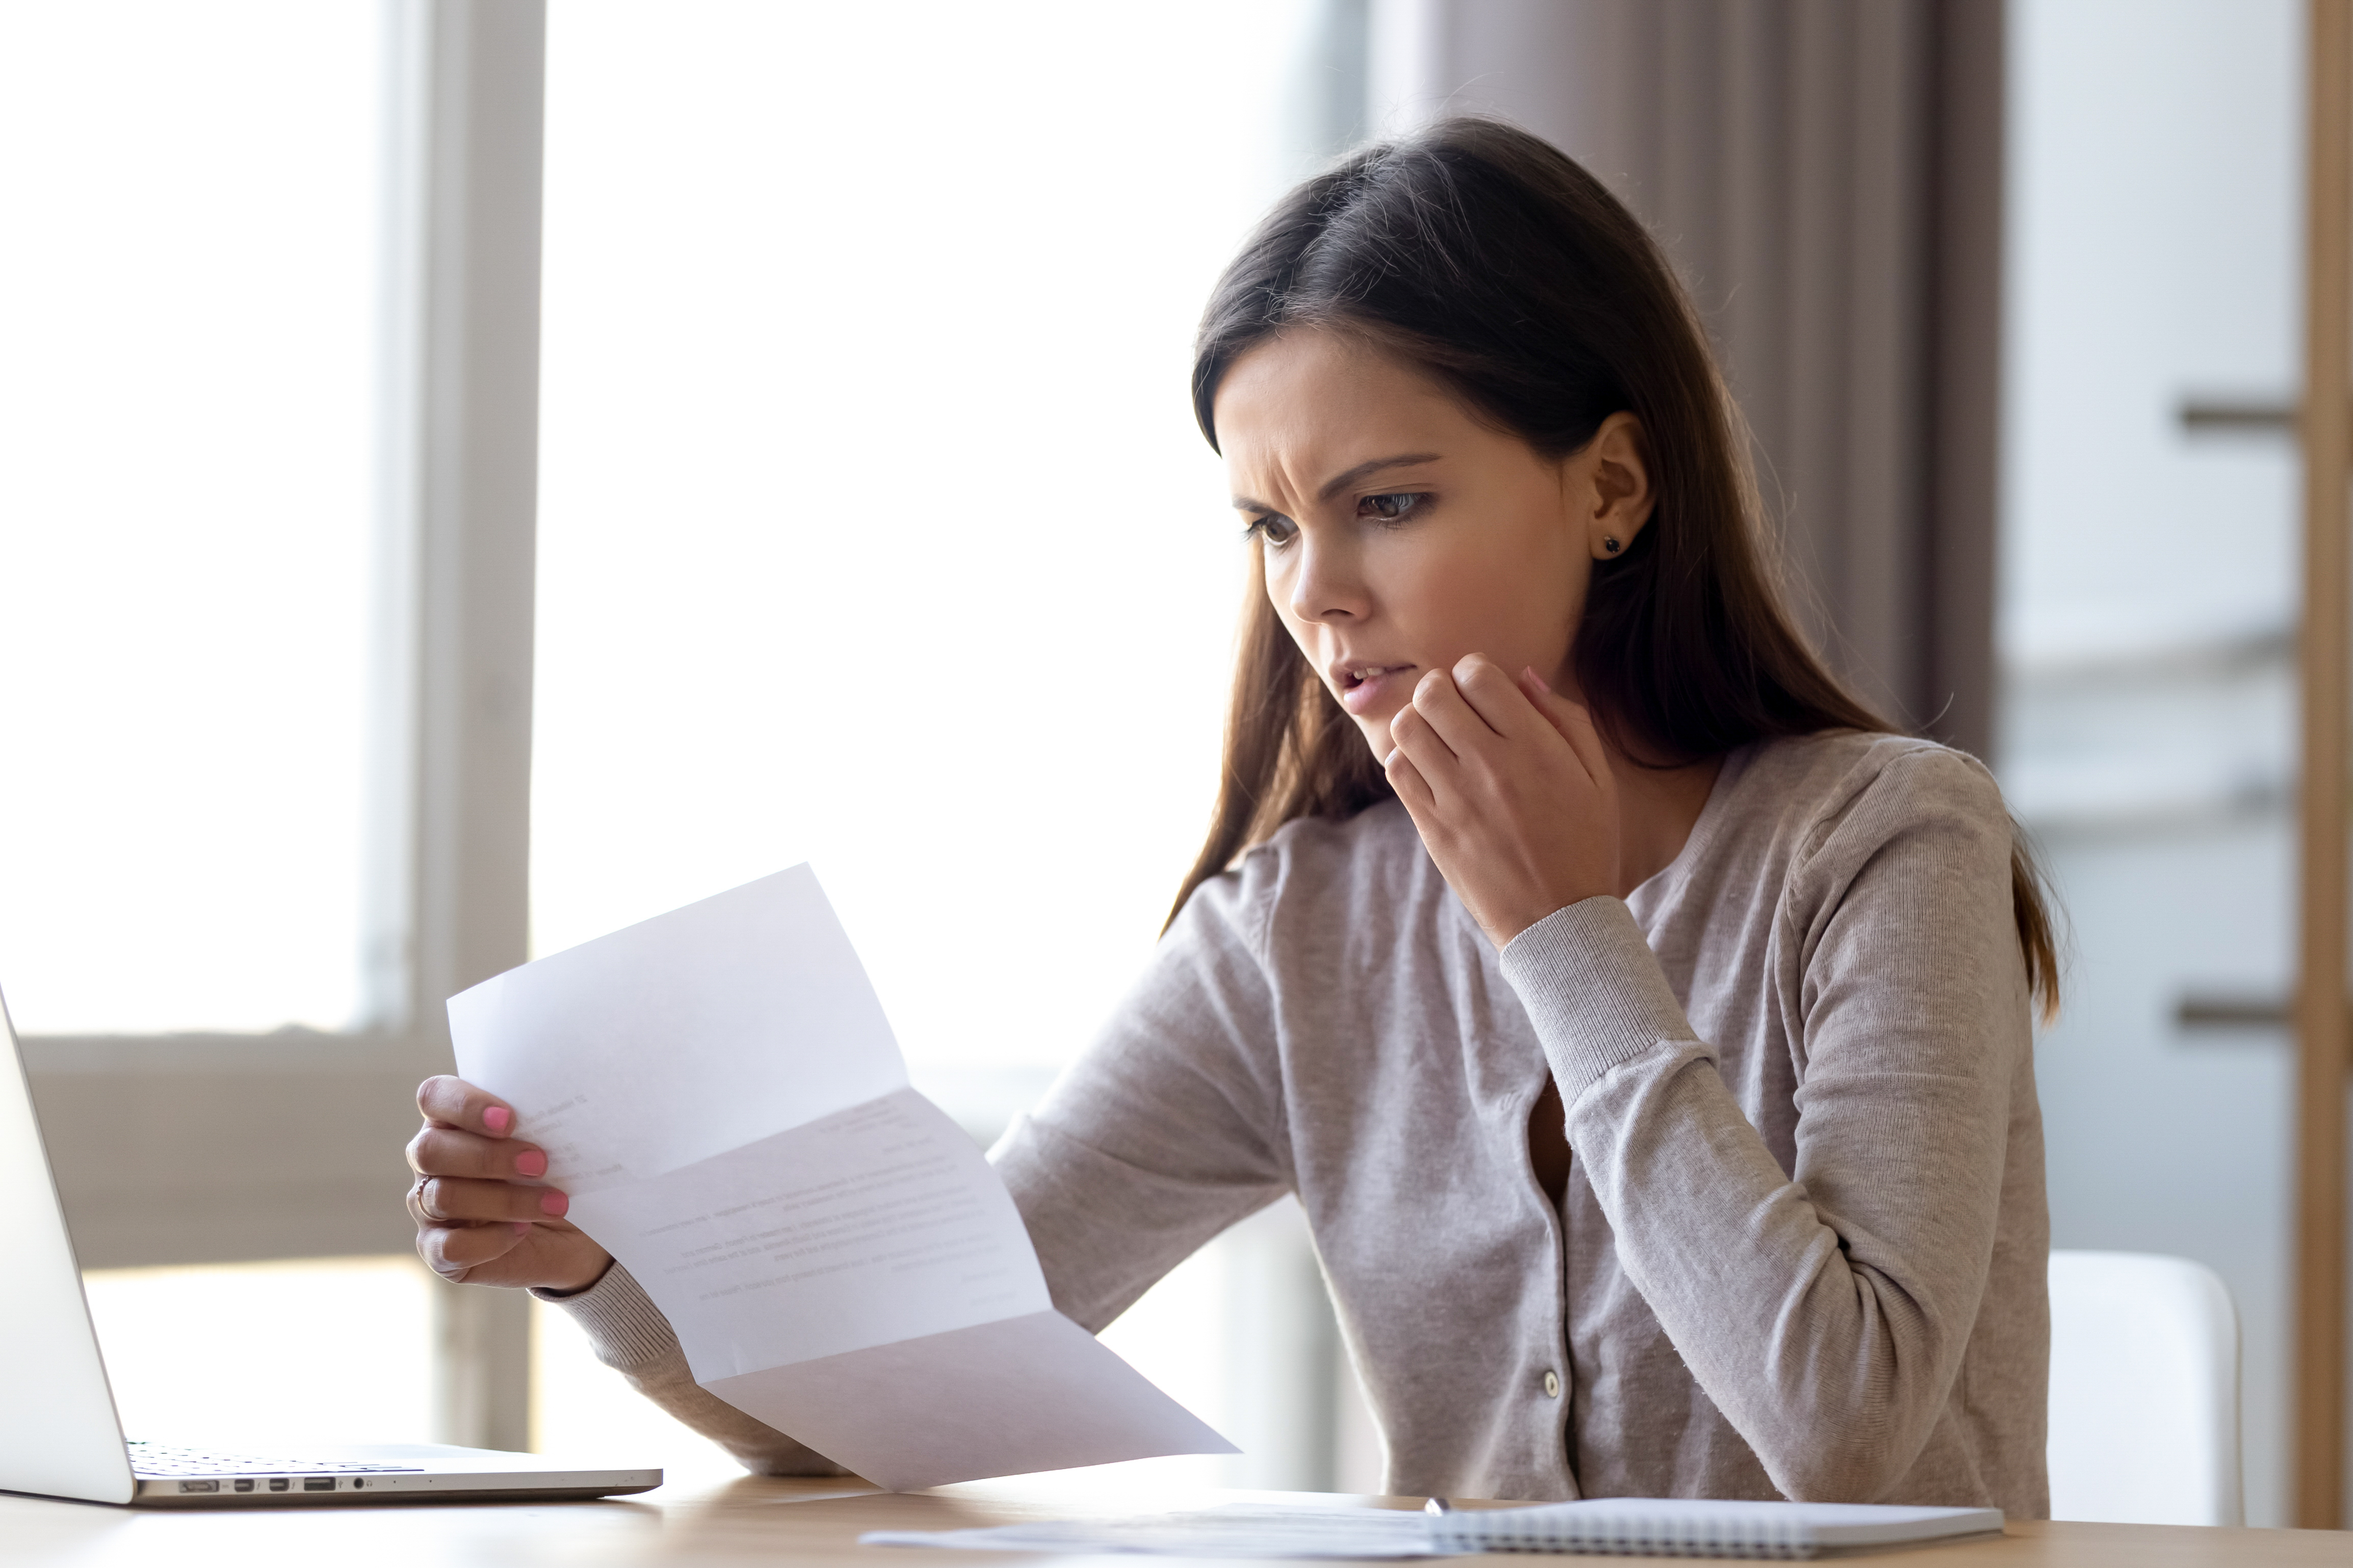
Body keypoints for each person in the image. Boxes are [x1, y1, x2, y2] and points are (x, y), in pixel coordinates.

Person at [405, 117, 2055, 1514]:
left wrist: (1565, 940)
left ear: (1613, 488)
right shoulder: (1299, 930)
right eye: (1270, 527)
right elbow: (909, 1388)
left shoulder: (1888, 843)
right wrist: (590, 1271)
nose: (1316, 597)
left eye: (1388, 505)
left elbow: (1846, 1432)